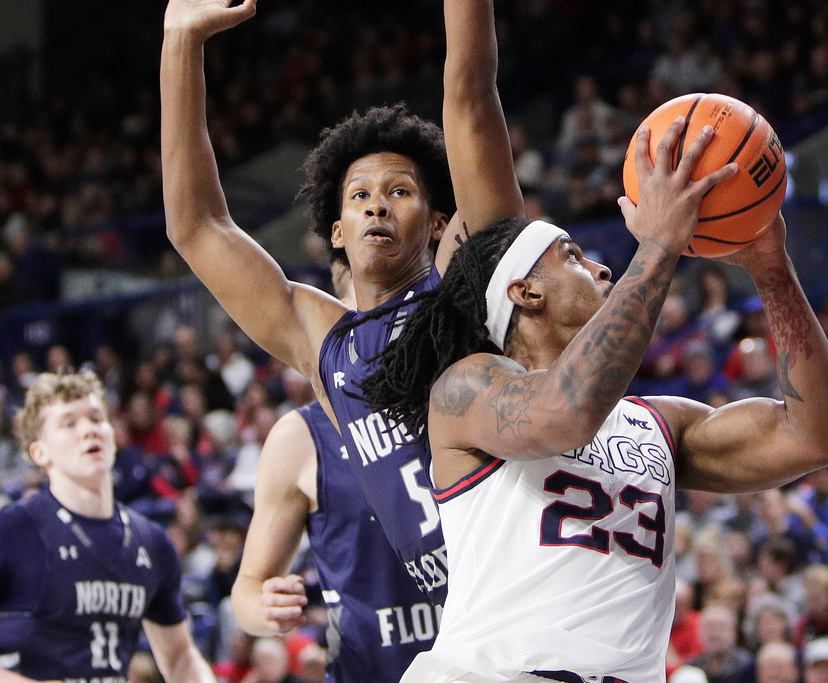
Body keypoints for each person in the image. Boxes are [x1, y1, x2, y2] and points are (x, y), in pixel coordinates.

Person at [360, 118, 828, 677]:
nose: (600, 266)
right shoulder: (469, 388)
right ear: (526, 291)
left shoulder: (660, 424)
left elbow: (818, 437)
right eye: (572, 256)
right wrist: (661, 241)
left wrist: (772, 270)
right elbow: (564, 415)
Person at [161, 0, 522, 613]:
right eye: (360, 196)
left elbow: (470, 97)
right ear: (336, 231)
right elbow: (196, 226)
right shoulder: (325, 340)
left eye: (399, 191)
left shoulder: (467, 285)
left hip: (526, 579)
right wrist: (179, 43)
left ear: (439, 222)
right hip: (460, 620)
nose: (377, 206)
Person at [0, 370, 215, 682]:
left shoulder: (151, 542)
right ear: (40, 451)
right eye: (69, 423)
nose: (89, 430)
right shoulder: (13, 530)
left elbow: (181, 658)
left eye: (96, 418)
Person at [231, 399, 439, 680]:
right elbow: (248, 588)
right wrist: (268, 609)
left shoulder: (447, 394)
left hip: (475, 659)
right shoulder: (299, 436)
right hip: (368, 669)